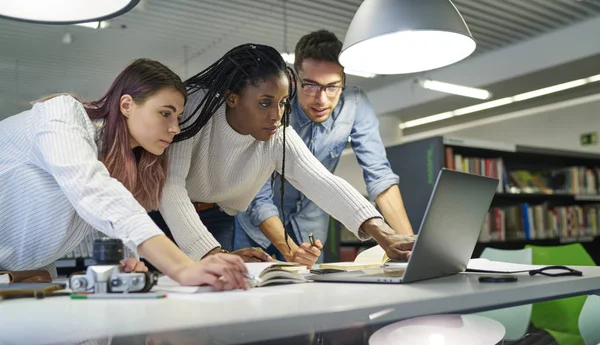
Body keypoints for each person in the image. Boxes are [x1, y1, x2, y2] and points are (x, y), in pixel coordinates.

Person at [152, 43, 414, 266]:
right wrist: (213, 253)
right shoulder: (196, 107)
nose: (276, 115)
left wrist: (384, 234)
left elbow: (323, 182)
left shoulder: (277, 134)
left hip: (217, 216)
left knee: (214, 290)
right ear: (232, 98)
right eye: (265, 103)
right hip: (160, 211)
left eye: (282, 103)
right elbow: (170, 187)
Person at [0, 58, 248, 290]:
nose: (174, 128)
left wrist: (128, 261)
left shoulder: (121, 166)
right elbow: (93, 191)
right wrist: (182, 267)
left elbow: (105, 218)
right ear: (127, 105)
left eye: (178, 117)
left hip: (22, 277)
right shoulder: (62, 116)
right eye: (165, 113)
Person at [235, 30, 414, 265]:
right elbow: (257, 193)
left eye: (332, 87)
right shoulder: (273, 107)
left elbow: (379, 175)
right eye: (310, 86)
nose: (321, 99)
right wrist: (289, 250)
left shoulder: (355, 104)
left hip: (310, 231)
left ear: (344, 81)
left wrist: (409, 246)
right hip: (257, 227)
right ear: (293, 78)